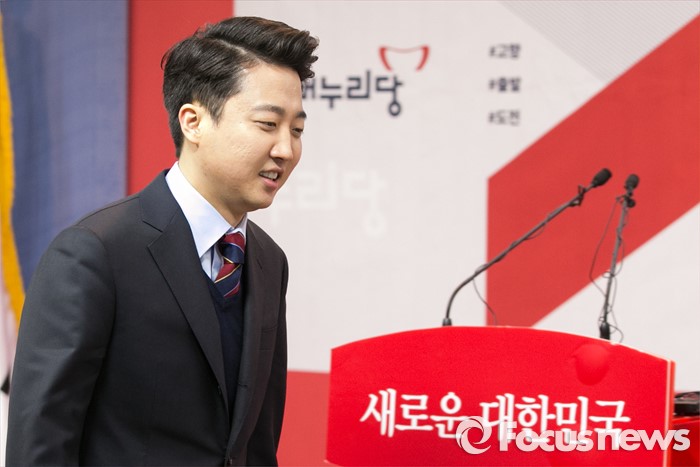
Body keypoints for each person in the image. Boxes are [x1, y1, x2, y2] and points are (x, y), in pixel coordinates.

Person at [6, 16, 318, 466]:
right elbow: (40, 446)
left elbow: (257, 443)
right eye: (268, 124)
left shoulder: (269, 261)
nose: (286, 149)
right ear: (193, 121)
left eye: (297, 130)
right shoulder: (95, 253)